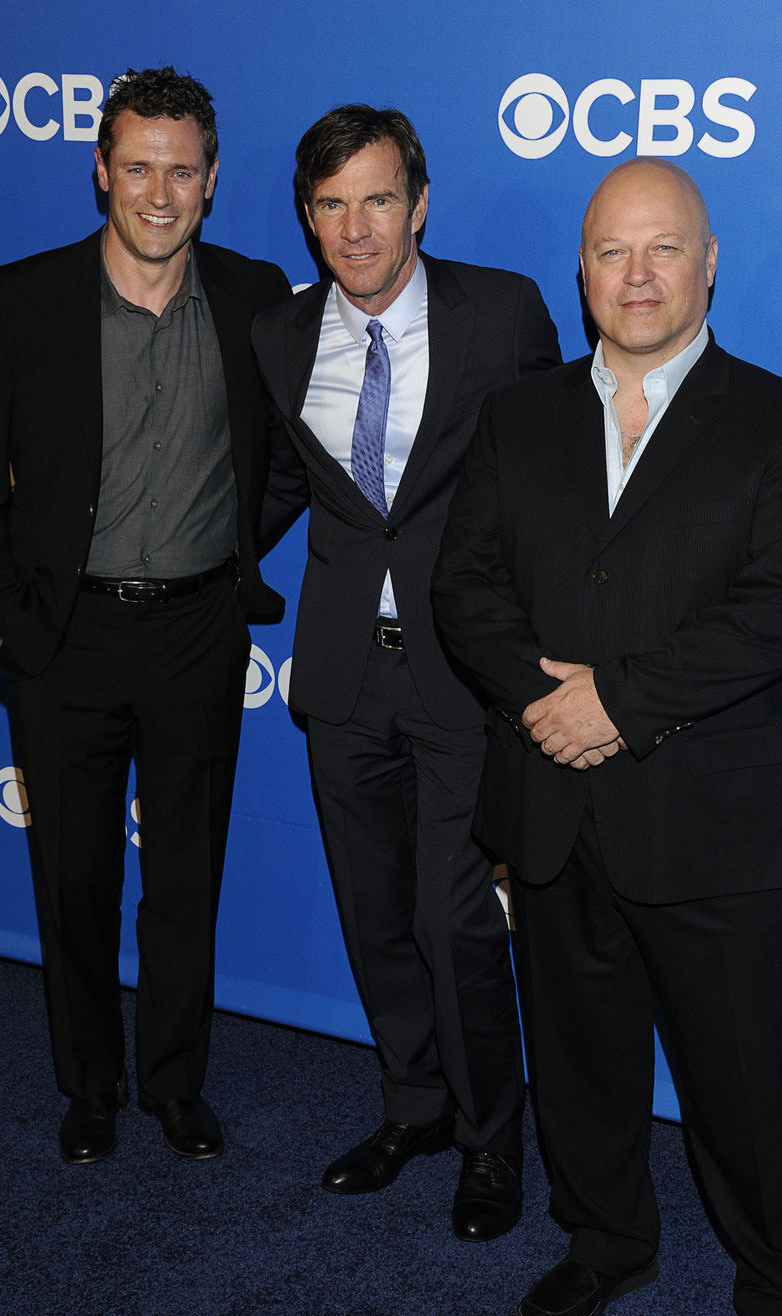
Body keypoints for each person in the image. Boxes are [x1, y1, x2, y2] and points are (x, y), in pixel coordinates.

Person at [432, 159, 782, 1316]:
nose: (636, 276)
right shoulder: (517, 418)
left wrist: (613, 700)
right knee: (581, 1063)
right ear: (582, 268)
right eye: (611, 253)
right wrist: (544, 703)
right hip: (551, 811)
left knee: (744, 1093)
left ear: (708, 261)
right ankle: (604, 1241)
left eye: (661, 250)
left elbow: (775, 622)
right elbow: (466, 589)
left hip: (707, 826)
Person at [0, 66, 290, 1165]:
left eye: (179, 171)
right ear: (101, 172)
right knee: (76, 880)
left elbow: (285, 467)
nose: (157, 191)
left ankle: (175, 1089)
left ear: (211, 181)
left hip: (197, 632)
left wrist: (232, 557)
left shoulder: (256, 298)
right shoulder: (21, 299)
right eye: (136, 166)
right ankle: (88, 1090)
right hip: (64, 640)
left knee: (185, 879)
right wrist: (11, 632)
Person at [252, 105, 561, 1240]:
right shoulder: (279, 337)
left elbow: (551, 481)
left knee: (456, 925)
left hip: (463, 677)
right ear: (307, 217)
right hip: (340, 674)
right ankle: (413, 1107)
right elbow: (276, 486)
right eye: (330, 205)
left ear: (419, 204)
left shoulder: (503, 313)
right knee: (373, 918)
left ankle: (489, 1140)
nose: (356, 228)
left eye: (377, 199)